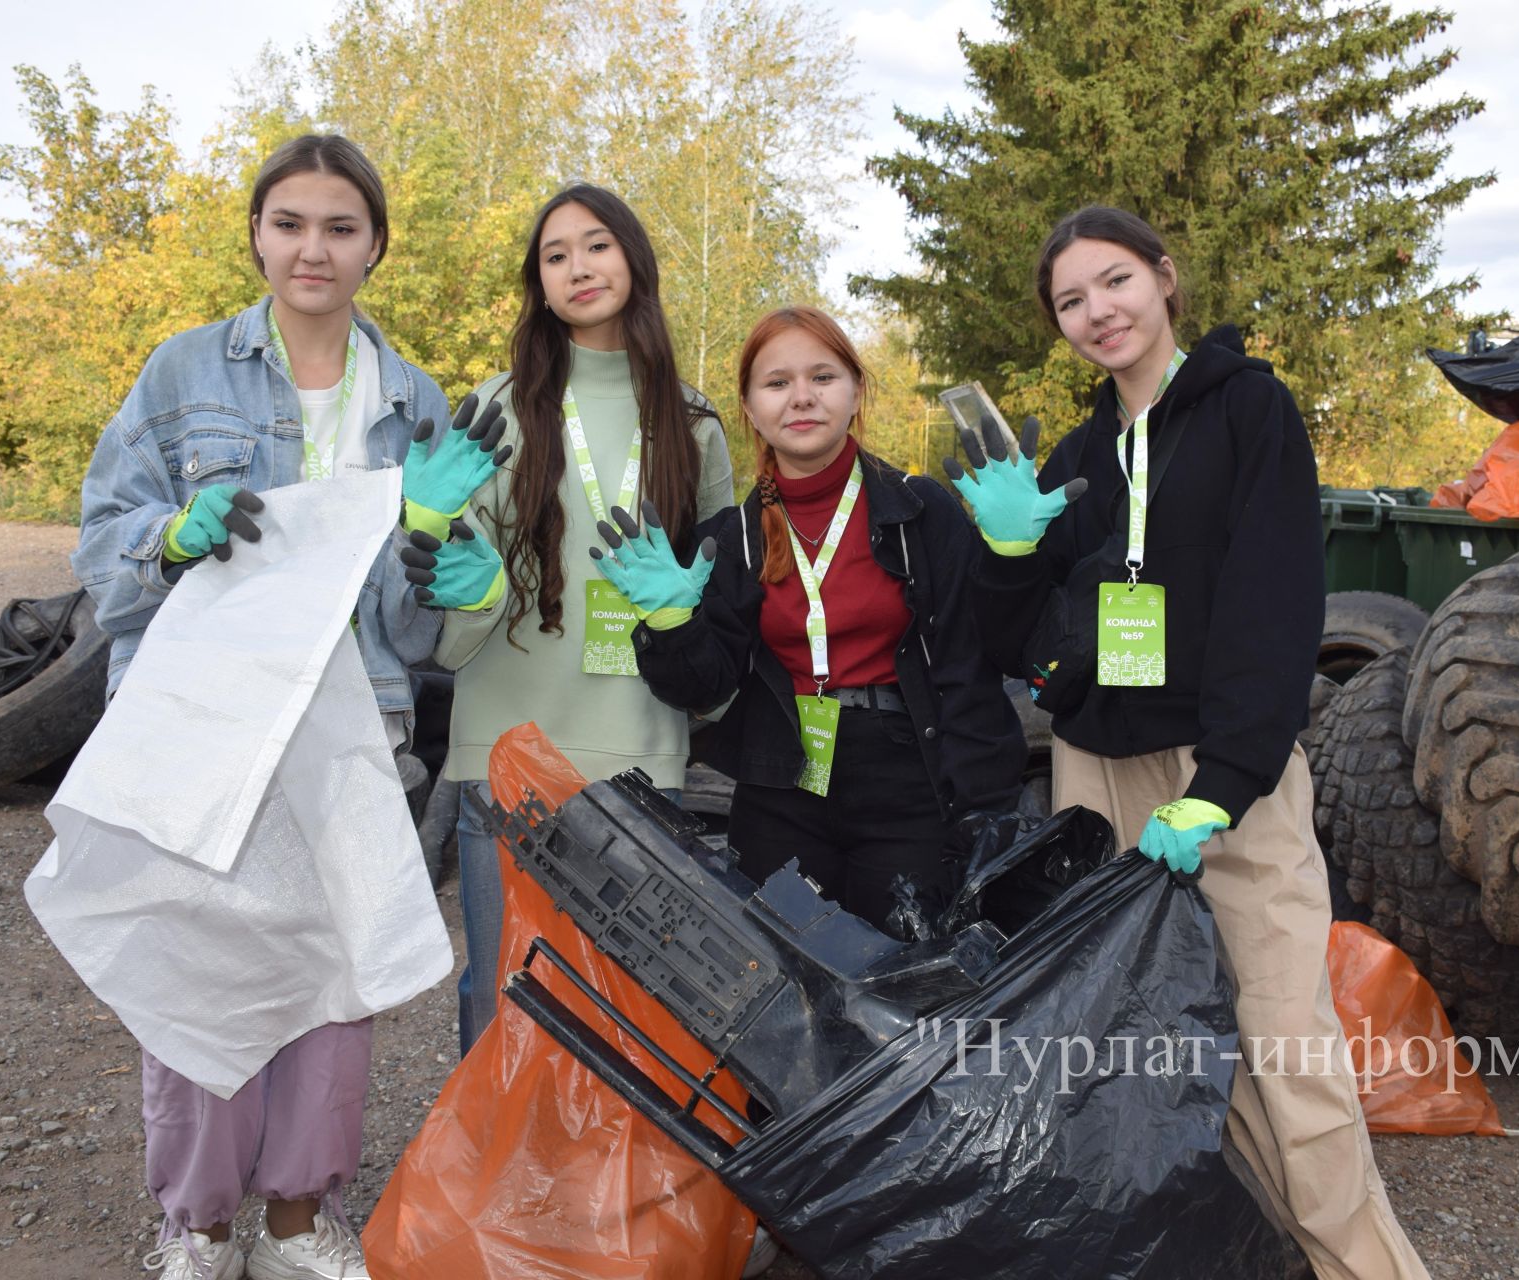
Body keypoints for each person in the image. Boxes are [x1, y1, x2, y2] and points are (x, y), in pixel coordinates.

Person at [946, 206, 1429, 1280]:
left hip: (1226, 777)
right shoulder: (1080, 454)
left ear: (1165, 280)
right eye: (1071, 301)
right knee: (1149, 1055)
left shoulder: (1248, 411)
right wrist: (1011, 549)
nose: (1096, 312)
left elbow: (1273, 603)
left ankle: (1367, 1268)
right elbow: (1018, 646)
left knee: (1282, 1041)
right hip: (1095, 776)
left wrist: (1225, 782)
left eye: (1113, 281)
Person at [74, 134, 481, 1280]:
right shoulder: (182, 372)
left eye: (341, 226)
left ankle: (299, 1218)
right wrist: (169, 536)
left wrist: (439, 568)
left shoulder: (413, 403)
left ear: (375, 247)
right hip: (200, 723)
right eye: (290, 222)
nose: (314, 247)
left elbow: (417, 628)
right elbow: (100, 535)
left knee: (329, 972)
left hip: (355, 724)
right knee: (197, 963)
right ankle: (198, 1226)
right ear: (257, 234)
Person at [402, 183, 736, 1053]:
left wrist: (688, 615)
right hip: (505, 752)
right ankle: (500, 1193)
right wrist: (457, 574)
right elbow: (446, 616)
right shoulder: (495, 411)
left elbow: (720, 607)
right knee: (504, 997)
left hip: (641, 754)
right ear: (538, 284)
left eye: (596, 245)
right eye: (555, 255)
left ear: (633, 259)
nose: (579, 267)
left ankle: (608, 1196)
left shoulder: (695, 424)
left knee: (631, 1017)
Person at [591, 305, 1025, 932]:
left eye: (822, 377)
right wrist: (671, 626)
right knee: (785, 983)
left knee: (906, 982)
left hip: (909, 784)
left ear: (855, 391)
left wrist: (987, 808)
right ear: (748, 406)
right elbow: (701, 686)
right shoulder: (733, 538)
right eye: (777, 383)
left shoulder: (920, 513)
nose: (801, 398)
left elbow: (964, 666)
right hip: (782, 782)